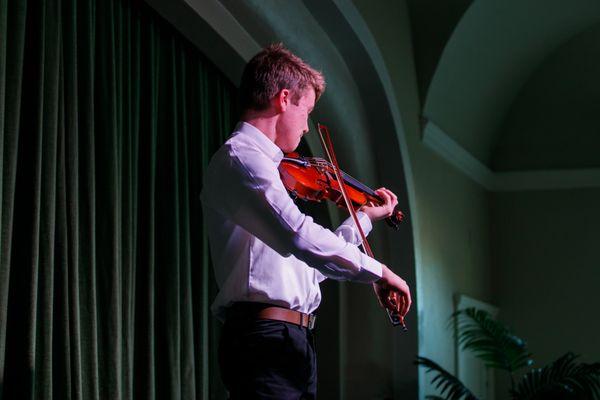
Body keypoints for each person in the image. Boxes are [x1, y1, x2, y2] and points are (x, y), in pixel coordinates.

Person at [200, 43, 411, 400]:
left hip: (293, 341)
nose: (308, 126)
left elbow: (309, 264)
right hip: (264, 340)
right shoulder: (242, 159)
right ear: (284, 99)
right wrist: (379, 271)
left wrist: (364, 218)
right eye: (307, 110)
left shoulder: (267, 167)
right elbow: (300, 236)